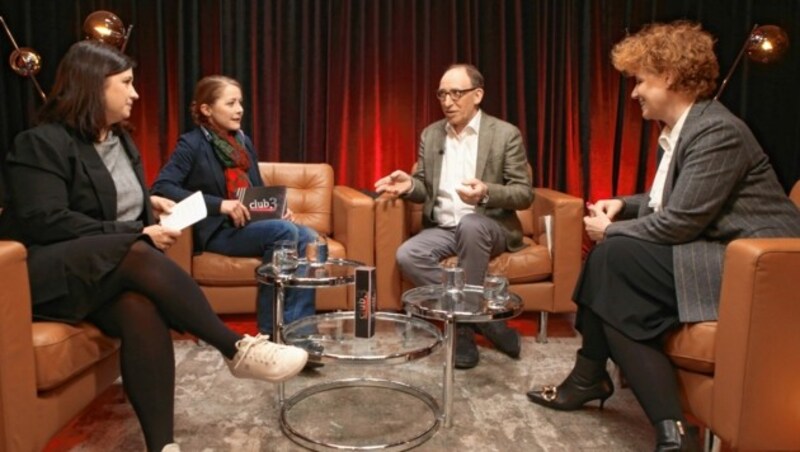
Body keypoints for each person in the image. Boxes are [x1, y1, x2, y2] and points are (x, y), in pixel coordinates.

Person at [0, 41, 308, 452]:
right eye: (126, 83)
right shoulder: (40, 143)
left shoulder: (121, 142)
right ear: (94, 86)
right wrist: (134, 234)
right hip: (44, 273)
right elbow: (46, 220)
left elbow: (112, 200)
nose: (135, 93)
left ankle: (162, 447)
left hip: (104, 267)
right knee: (135, 249)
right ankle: (234, 347)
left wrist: (150, 203)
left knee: (140, 310)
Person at [525, 21, 800, 450]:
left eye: (640, 81)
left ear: (669, 77)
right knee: (612, 263)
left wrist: (612, 230)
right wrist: (623, 204)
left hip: (756, 266)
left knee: (612, 257)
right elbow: (668, 200)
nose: (634, 92)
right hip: (713, 248)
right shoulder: (679, 131)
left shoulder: (717, 132)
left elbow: (679, 221)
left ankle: (592, 378)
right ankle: (658, 422)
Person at [375, 64, 533, 369]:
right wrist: (409, 186)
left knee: (471, 224)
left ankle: (460, 331)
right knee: (408, 255)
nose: (448, 101)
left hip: (489, 225)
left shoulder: (504, 134)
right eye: (442, 94)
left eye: (456, 93)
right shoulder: (432, 135)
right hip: (444, 227)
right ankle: (481, 320)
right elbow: (424, 187)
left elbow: (524, 193)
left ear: (477, 95)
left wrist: (486, 192)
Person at [151, 75, 318, 336]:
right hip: (218, 230)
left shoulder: (242, 140)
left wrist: (279, 209)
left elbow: (256, 187)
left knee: (309, 236)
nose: (239, 109)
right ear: (207, 109)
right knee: (284, 232)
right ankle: (270, 331)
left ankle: (299, 329)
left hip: (250, 223)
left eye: (240, 102)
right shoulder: (191, 144)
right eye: (230, 103)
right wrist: (220, 205)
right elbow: (163, 186)